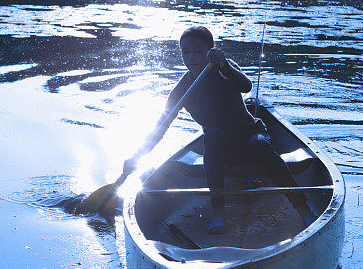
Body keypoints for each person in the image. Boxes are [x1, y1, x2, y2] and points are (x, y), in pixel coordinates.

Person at [124, 26, 315, 234]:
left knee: (259, 144)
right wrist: (136, 158)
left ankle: (303, 209)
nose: (191, 57)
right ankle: (218, 213)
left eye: (198, 51)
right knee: (213, 135)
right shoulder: (182, 88)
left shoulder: (224, 68)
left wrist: (223, 65)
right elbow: (160, 128)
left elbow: (246, 86)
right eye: (185, 51)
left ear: (210, 50)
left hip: (250, 135)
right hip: (221, 149)